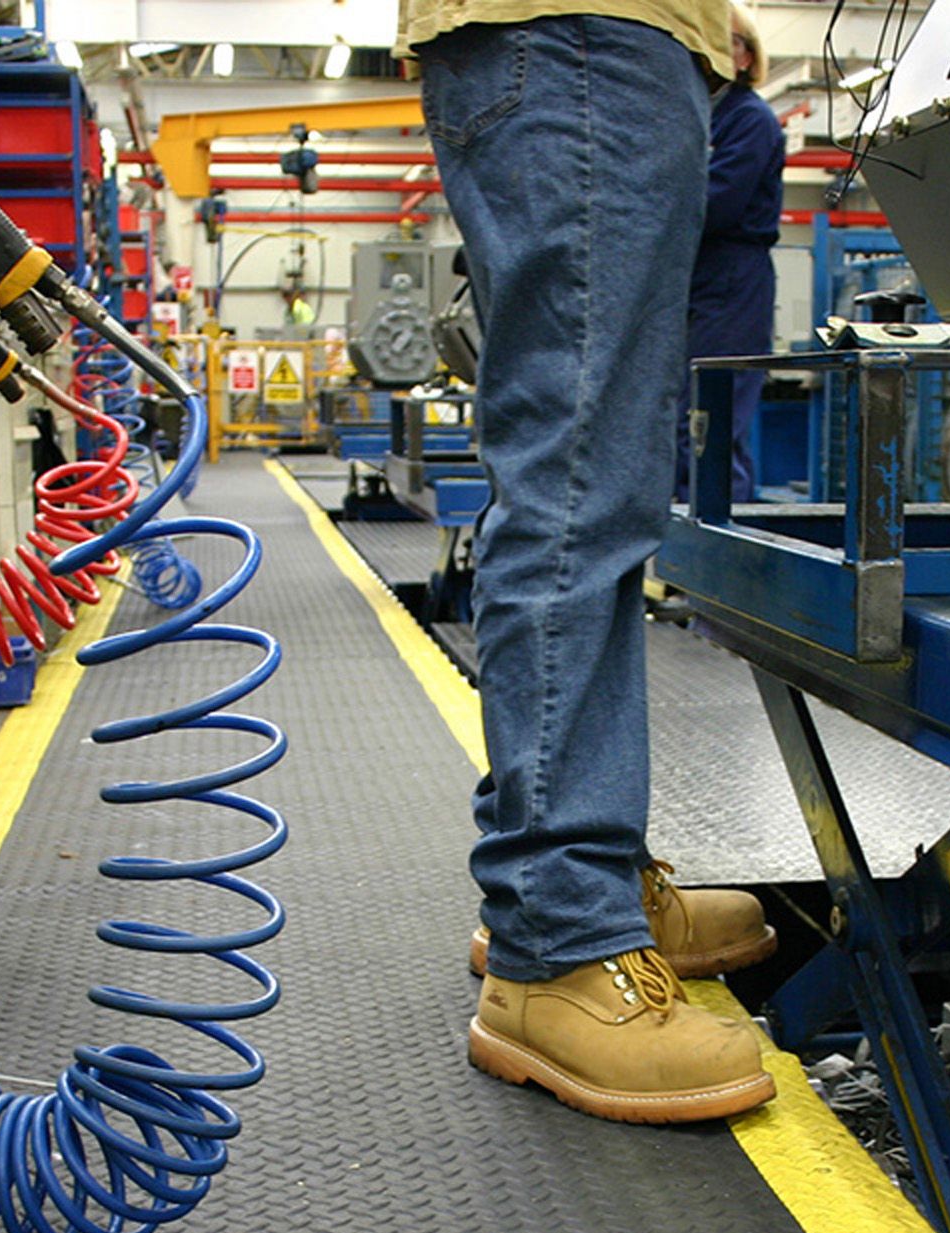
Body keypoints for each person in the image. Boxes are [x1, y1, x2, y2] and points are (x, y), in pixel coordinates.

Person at [399, 0, 780, 1125]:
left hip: (599, 49)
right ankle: (553, 946)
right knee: (578, 491)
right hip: (578, 43)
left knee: (595, 487)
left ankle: (578, 879)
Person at [680, 4, 784, 503]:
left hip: (731, 277)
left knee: (712, 422)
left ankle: (723, 552)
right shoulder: (696, 115)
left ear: (745, 57)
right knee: (682, 420)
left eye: (726, 43)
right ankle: (678, 551)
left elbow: (716, 203)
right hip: (691, 272)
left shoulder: (750, 119)